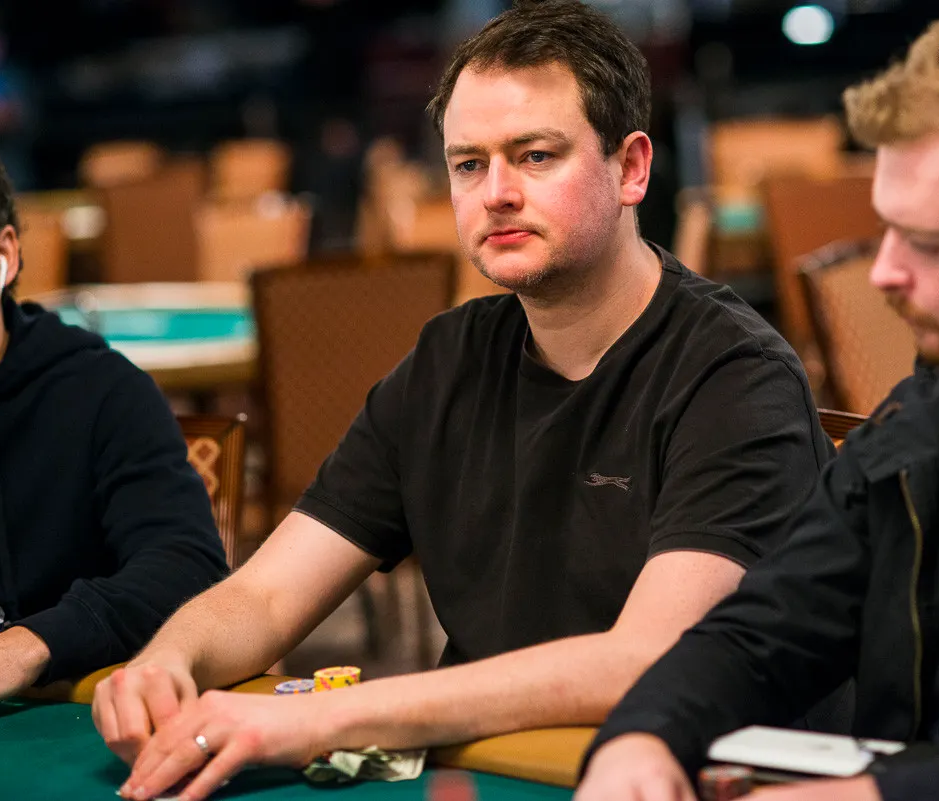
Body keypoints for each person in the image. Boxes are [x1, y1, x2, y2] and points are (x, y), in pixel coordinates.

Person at [92, 2, 832, 799]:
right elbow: (266, 597)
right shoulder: (446, 360)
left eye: (536, 156)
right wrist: (169, 658)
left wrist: (321, 717)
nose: (497, 193)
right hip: (486, 771)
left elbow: (645, 659)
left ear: (631, 169)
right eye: (469, 164)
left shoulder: (735, 375)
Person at [576, 10, 939, 801]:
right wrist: (645, 734)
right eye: (886, 231)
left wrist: (884, 795)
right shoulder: (926, 425)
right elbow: (762, 629)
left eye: (930, 243)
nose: (883, 273)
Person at [0, 123, 229, 727]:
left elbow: (187, 567)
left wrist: (26, 646)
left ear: (5, 253)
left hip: (67, 720)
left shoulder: (101, 391)